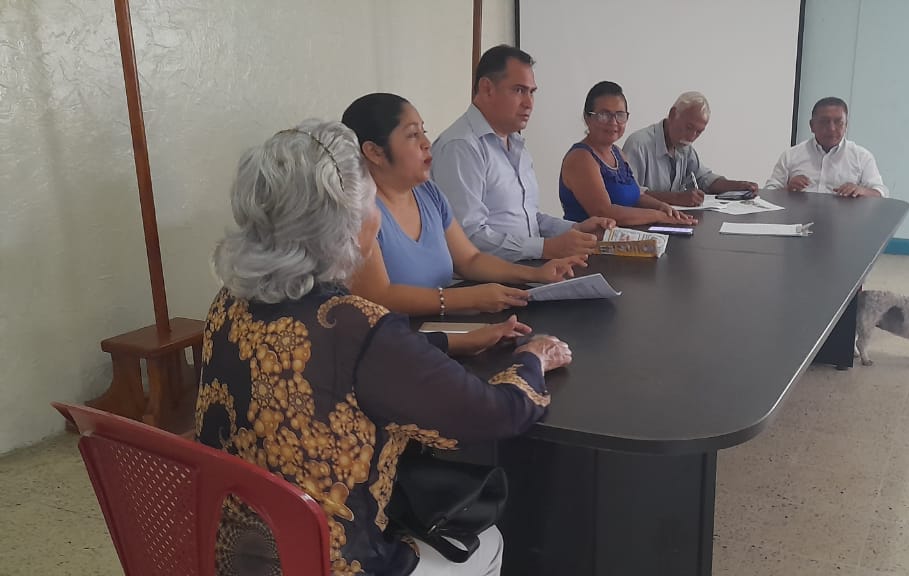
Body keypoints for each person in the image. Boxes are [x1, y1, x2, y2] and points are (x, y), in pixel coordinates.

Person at [199, 119, 575, 576]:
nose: (376, 217)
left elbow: (342, 363)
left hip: (233, 550)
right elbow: (495, 415)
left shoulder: (228, 302)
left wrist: (453, 343)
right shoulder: (356, 325)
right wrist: (533, 359)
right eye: (370, 201)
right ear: (344, 223)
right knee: (489, 542)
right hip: (329, 562)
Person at [342, 93, 587, 316]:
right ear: (374, 152)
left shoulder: (428, 193)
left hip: (442, 327)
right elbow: (378, 297)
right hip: (395, 340)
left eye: (423, 132)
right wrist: (468, 298)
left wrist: (535, 274)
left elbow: (470, 259)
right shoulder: (356, 212)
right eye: (413, 135)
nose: (427, 143)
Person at [433, 45, 615, 262]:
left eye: (532, 92)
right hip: (488, 277)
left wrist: (575, 229)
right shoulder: (461, 147)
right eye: (519, 90)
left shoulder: (515, 143)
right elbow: (467, 237)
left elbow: (528, 219)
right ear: (487, 88)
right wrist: (545, 248)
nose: (529, 103)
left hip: (528, 268)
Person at [559, 81, 699, 226]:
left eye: (620, 115)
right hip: (589, 239)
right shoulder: (581, 158)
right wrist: (657, 215)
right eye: (604, 115)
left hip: (623, 236)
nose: (613, 122)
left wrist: (662, 207)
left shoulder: (617, 152)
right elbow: (604, 212)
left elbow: (635, 197)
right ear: (587, 118)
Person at [621, 91, 758, 207]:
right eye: (689, 127)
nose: (692, 137)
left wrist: (739, 186)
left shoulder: (685, 148)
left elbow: (704, 179)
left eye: (699, 132)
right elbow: (628, 194)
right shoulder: (638, 144)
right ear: (673, 114)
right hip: (643, 224)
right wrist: (676, 198)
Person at [765, 96, 889, 198]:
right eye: (824, 122)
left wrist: (861, 190)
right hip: (798, 219)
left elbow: (881, 192)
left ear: (846, 125)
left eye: (838, 122)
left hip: (845, 220)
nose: (832, 128)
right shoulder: (791, 155)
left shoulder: (861, 157)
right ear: (812, 126)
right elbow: (768, 192)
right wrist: (788, 189)